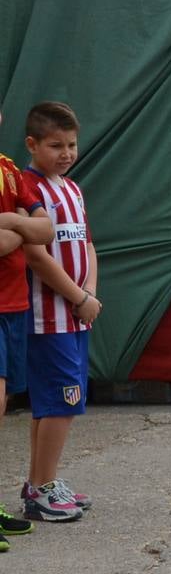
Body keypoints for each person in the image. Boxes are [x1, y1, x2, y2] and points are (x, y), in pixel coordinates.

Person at [19, 101, 99, 523]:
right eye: (55, 145)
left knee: (55, 403)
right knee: (62, 402)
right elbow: (35, 255)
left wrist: (90, 293)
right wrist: (76, 296)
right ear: (31, 144)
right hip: (45, 317)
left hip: (75, 314)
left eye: (71, 144)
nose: (66, 153)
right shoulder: (26, 190)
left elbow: (87, 243)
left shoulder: (72, 188)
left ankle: (40, 480)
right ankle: (43, 490)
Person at [0, 106, 53, 547]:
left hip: (13, 304)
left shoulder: (9, 170)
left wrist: (13, 222)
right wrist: (23, 228)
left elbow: (45, 228)